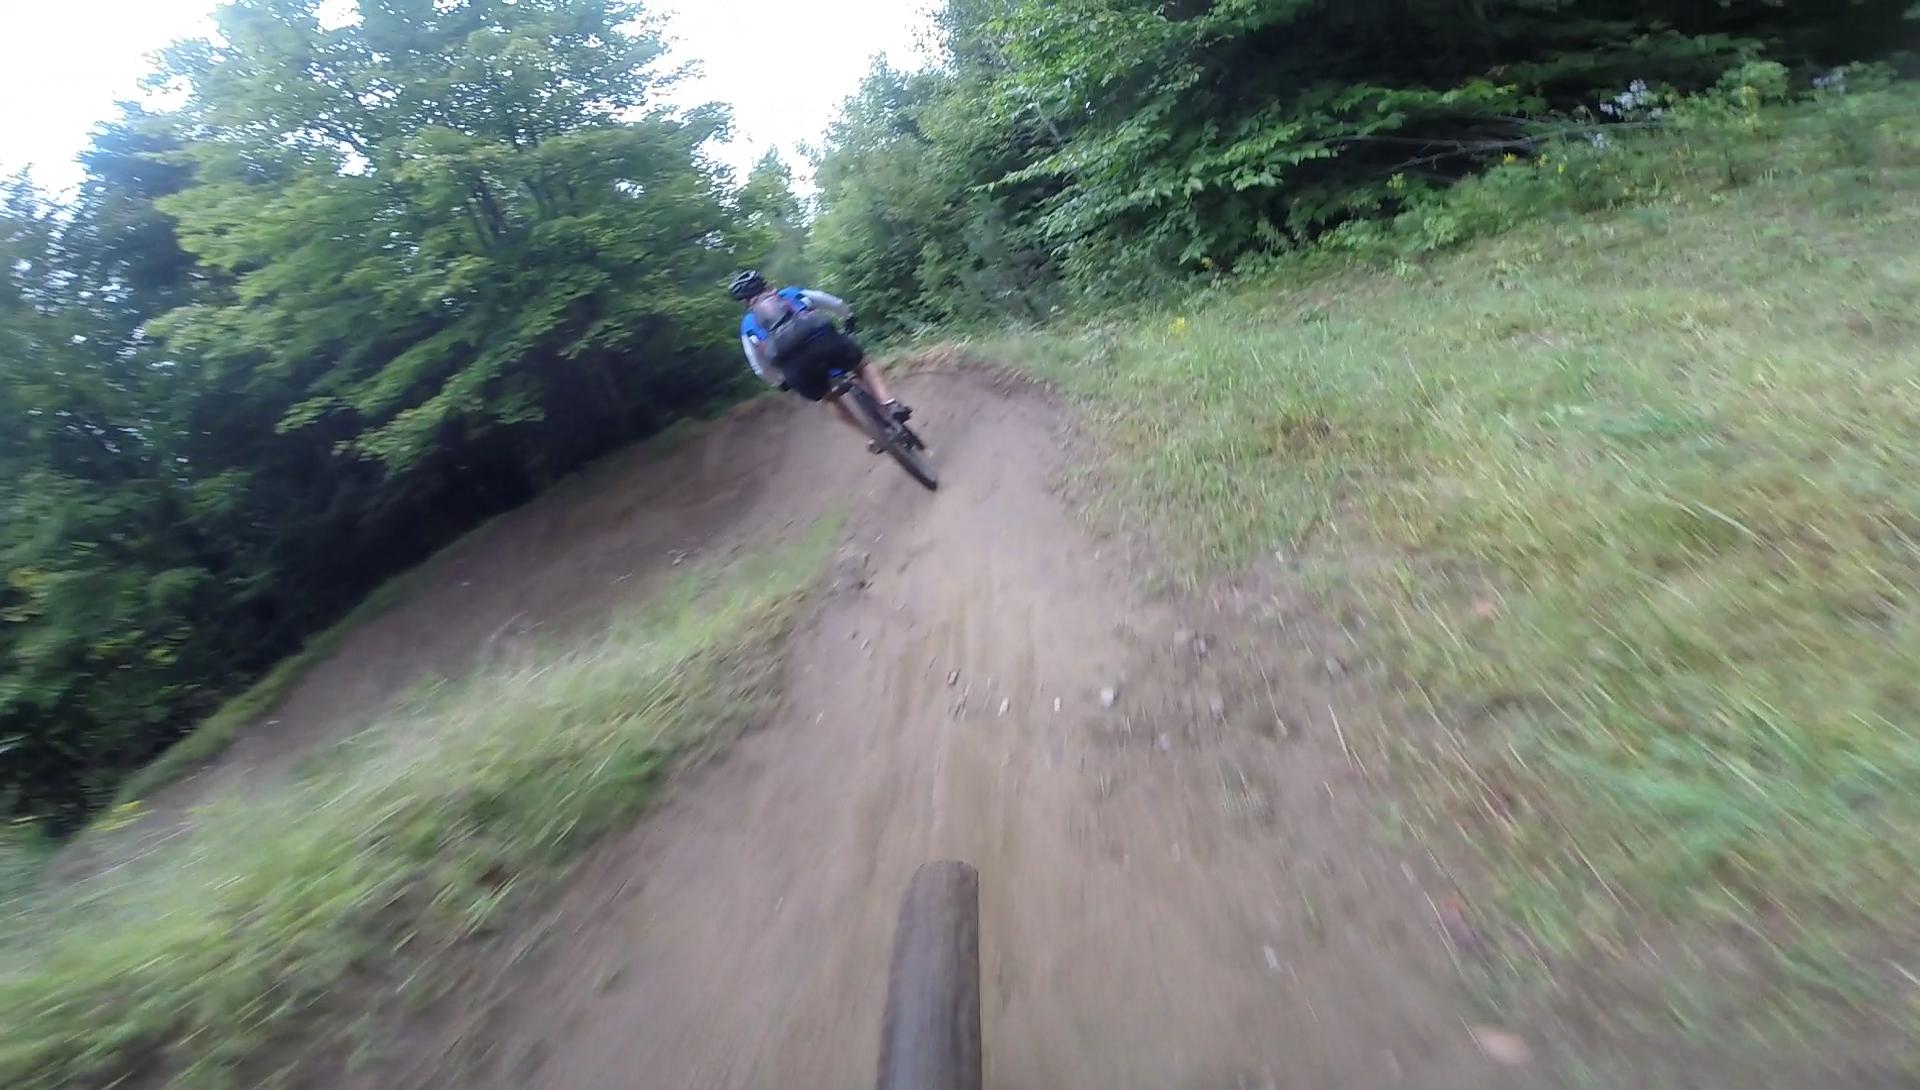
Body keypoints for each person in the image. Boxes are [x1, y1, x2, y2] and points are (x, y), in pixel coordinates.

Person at [729, 270, 909, 447]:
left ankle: (872, 436)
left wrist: (779, 382)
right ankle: (889, 403)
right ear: (766, 285)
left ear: (745, 303)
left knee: (829, 398)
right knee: (862, 365)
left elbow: (758, 365)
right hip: (825, 342)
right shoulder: (789, 293)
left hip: (796, 367)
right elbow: (833, 302)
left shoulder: (748, 326)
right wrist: (848, 319)